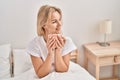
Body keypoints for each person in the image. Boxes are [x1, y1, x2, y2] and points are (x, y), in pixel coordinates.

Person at [26, 5, 76, 78]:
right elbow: (40, 74)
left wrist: (58, 50)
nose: (60, 24)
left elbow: (63, 70)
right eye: (54, 21)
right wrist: (50, 53)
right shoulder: (34, 44)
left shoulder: (67, 41)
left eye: (60, 19)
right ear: (43, 25)